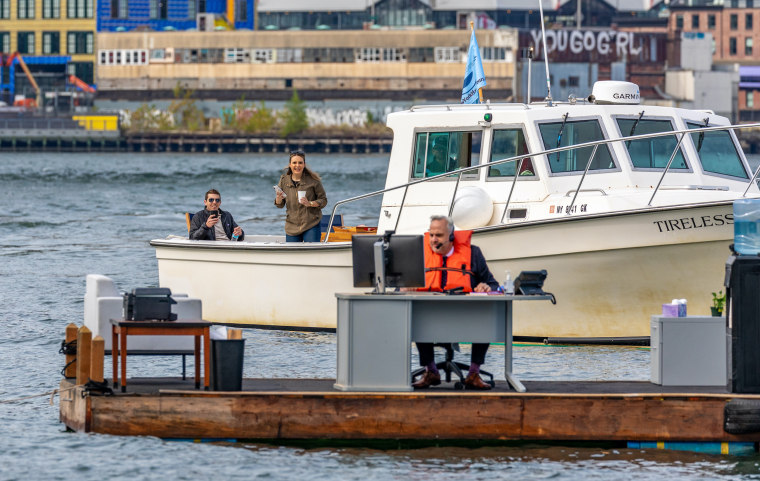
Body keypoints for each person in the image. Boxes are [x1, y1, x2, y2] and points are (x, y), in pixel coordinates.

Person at [412, 215, 499, 390]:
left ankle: (473, 374)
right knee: (415, 316)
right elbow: (401, 287)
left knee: (486, 318)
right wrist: (405, 288)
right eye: (431, 235)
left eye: (439, 235)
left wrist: (485, 287)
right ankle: (431, 371)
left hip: (466, 317)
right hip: (430, 317)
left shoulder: (473, 254)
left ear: (451, 236)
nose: (434, 240)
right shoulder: (419, 256)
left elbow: (493, 284)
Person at [274, 150, 327, 242]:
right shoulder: (283, 180)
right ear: (290, 164)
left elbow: (323, 200)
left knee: (311, 253)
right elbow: (280, 205)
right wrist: (278, 199)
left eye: (300, 163)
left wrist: (310, 203)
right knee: (292, 255)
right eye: (294, 163)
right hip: (291, 226)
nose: (297, 165)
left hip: (311, 224)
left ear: (304, 164)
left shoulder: (313, 180)